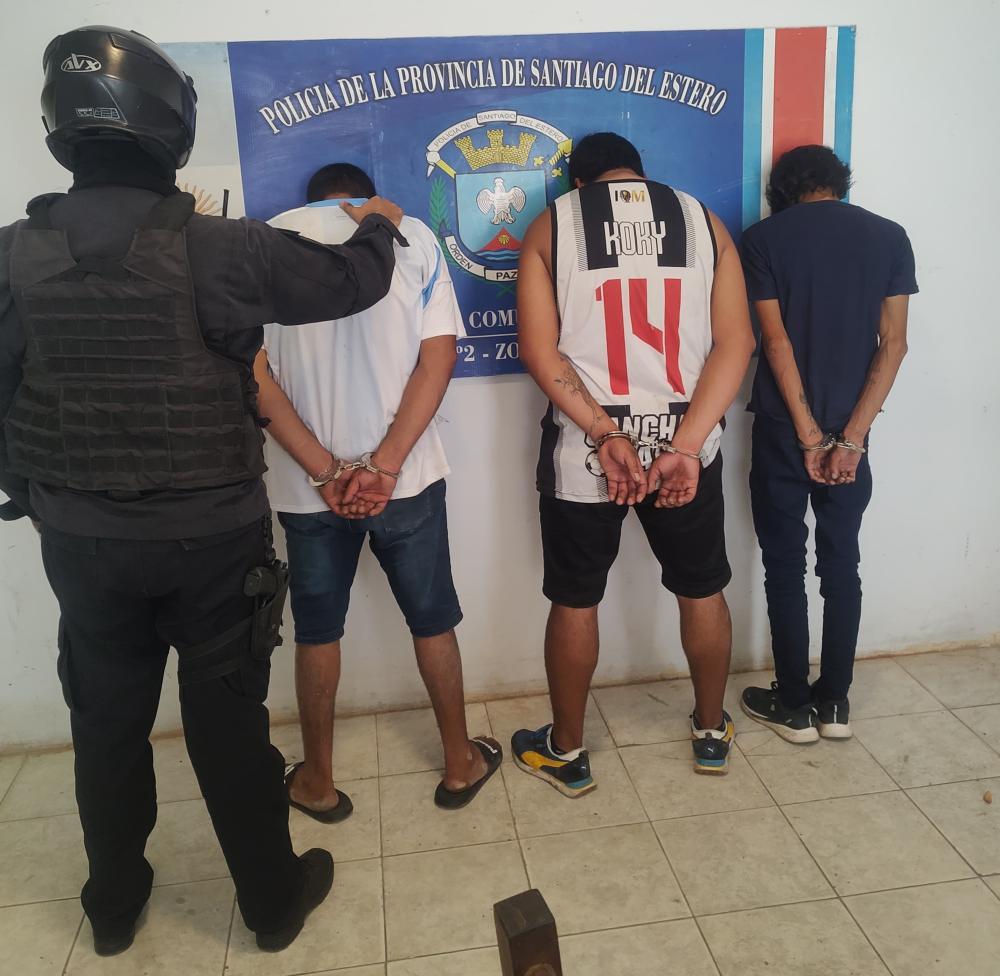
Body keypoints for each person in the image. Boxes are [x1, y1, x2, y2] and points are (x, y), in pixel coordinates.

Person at [0, 27, 406, 956]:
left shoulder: (12, 254)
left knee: (105, 725)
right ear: (168, 127)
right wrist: (380, 218)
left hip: (83, 543)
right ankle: (271, 904)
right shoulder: (218, 247)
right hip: (212, 542)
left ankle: (113, 907)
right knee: (228, 728)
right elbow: (354, 281)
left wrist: (29, 487)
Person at [254, 162, 502, 820]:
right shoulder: (411, 234)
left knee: (317, 632)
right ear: (362, 194)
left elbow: (253, 374)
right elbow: (439, 357)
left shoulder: (263, 241)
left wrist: (325, 470)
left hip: (308, 489)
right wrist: (386, 466)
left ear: (312, 198)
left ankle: (317, 782)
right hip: (406, 481)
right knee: (433, 621)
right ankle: (459, 764)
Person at [513, 132, 755, 791]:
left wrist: (603, 431)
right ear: (639, 175)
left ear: (578, 182)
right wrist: (684, 447)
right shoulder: (705, 222)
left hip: (586, 454)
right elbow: (736, 344)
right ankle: (711, 732)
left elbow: (539, 351)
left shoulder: (551, 226)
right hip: (687, 449)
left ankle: (567, 751)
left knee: (575, 598)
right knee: (702, 587)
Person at [739, 145, 916, 742]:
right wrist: (851, 439)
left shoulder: (763, 239)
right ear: (841, 183)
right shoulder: (890, 237)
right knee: (842, 564)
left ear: (783, 190)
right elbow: (894, 344)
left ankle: (794, 706)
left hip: (783, 431)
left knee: (784, 565)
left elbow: (775, 342)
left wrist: (809, 436)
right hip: (852, 437)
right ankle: (835, 702)